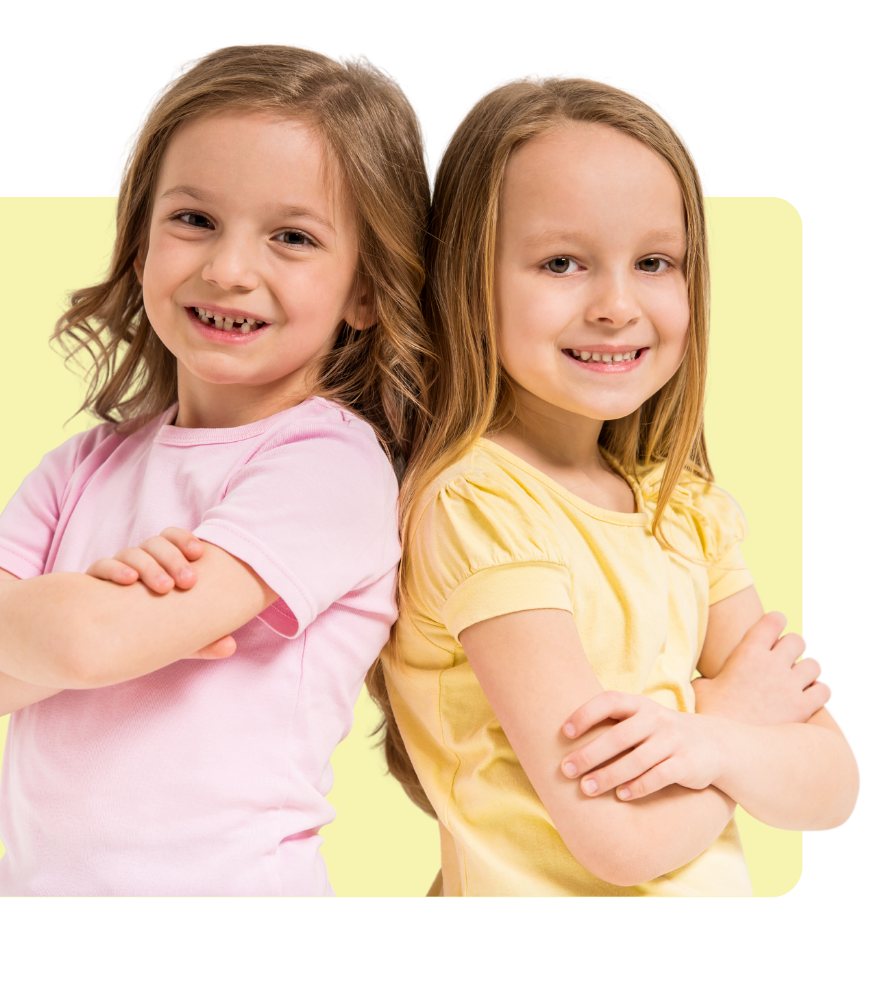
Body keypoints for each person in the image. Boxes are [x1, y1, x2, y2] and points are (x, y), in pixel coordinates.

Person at [0, 43, 432, 897]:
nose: (229, 269)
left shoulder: (327, 466)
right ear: (139, 246)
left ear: (365, 291)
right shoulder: (83, 465)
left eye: (292, 236)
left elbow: (88, 640)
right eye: (194, 220)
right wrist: (72, 626)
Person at [365, 71, 861, 897]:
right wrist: (731, 718)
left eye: (655, 262)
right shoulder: (476, 507)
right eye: (562, 262)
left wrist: (711, 741)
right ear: (465, 276)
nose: (617, 305)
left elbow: (835, 785)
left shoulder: (682, 507)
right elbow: (623, 843)